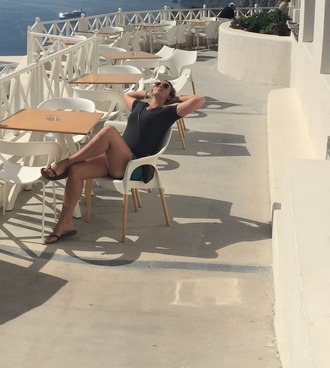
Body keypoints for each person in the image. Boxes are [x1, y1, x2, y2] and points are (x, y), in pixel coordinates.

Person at [34, 79, 206, 244]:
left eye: (165, 86)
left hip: (134, 166)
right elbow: (128, 95)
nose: (159, 86)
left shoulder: (168, 113)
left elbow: (199, 99)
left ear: (169, 95)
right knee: (77, 170)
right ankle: (64, 224)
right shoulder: (139, 106)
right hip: (115, 160)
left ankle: (66, 162)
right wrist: (149, 93)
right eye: (157, 84)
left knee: (108, 130)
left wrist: (173, 100)